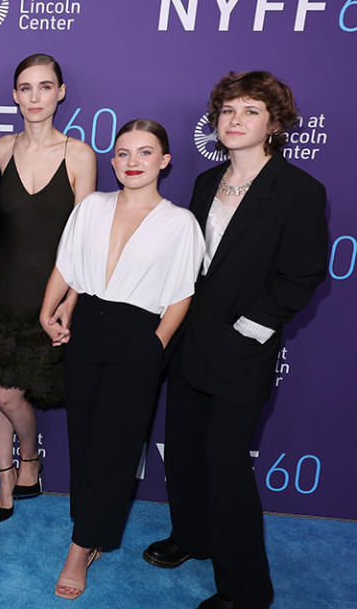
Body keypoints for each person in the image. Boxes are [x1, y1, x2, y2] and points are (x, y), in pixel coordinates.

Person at [142, 72, 328, 609]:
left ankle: (246, 591)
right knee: (181, 451)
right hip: (189, 343)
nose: (234, 120)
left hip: (242, 351)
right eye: (226, 110)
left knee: (226, 467)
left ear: (274, 123)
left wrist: (251, 326)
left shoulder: (298, 190)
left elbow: (303, 273)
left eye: (248, 111)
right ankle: (193, 537)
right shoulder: (204, 182)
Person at [40, 120, 204, 600]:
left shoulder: (180, 223)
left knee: (116, 443)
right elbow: (65, 265)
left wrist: (156, 344)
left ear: (165, 161)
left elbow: (180, 295)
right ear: (112, 162)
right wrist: (46, 312)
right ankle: (94, 528)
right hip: (87, 325)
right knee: (86, 436)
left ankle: (80, 546)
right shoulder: (92, 206)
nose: (133, 162)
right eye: (124, 153)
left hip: (140, 334)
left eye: (146, 153)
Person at [0, 53, 96, 523]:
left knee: (8, 395)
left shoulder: (80, 155)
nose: (35, 96)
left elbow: (85, 242)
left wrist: (70, 303)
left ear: (60, 92)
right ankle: (6, 480)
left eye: (45, 86)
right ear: (15, 95)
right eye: (26, 87)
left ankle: (30, 461)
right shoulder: (0, 151)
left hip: (49, 300)